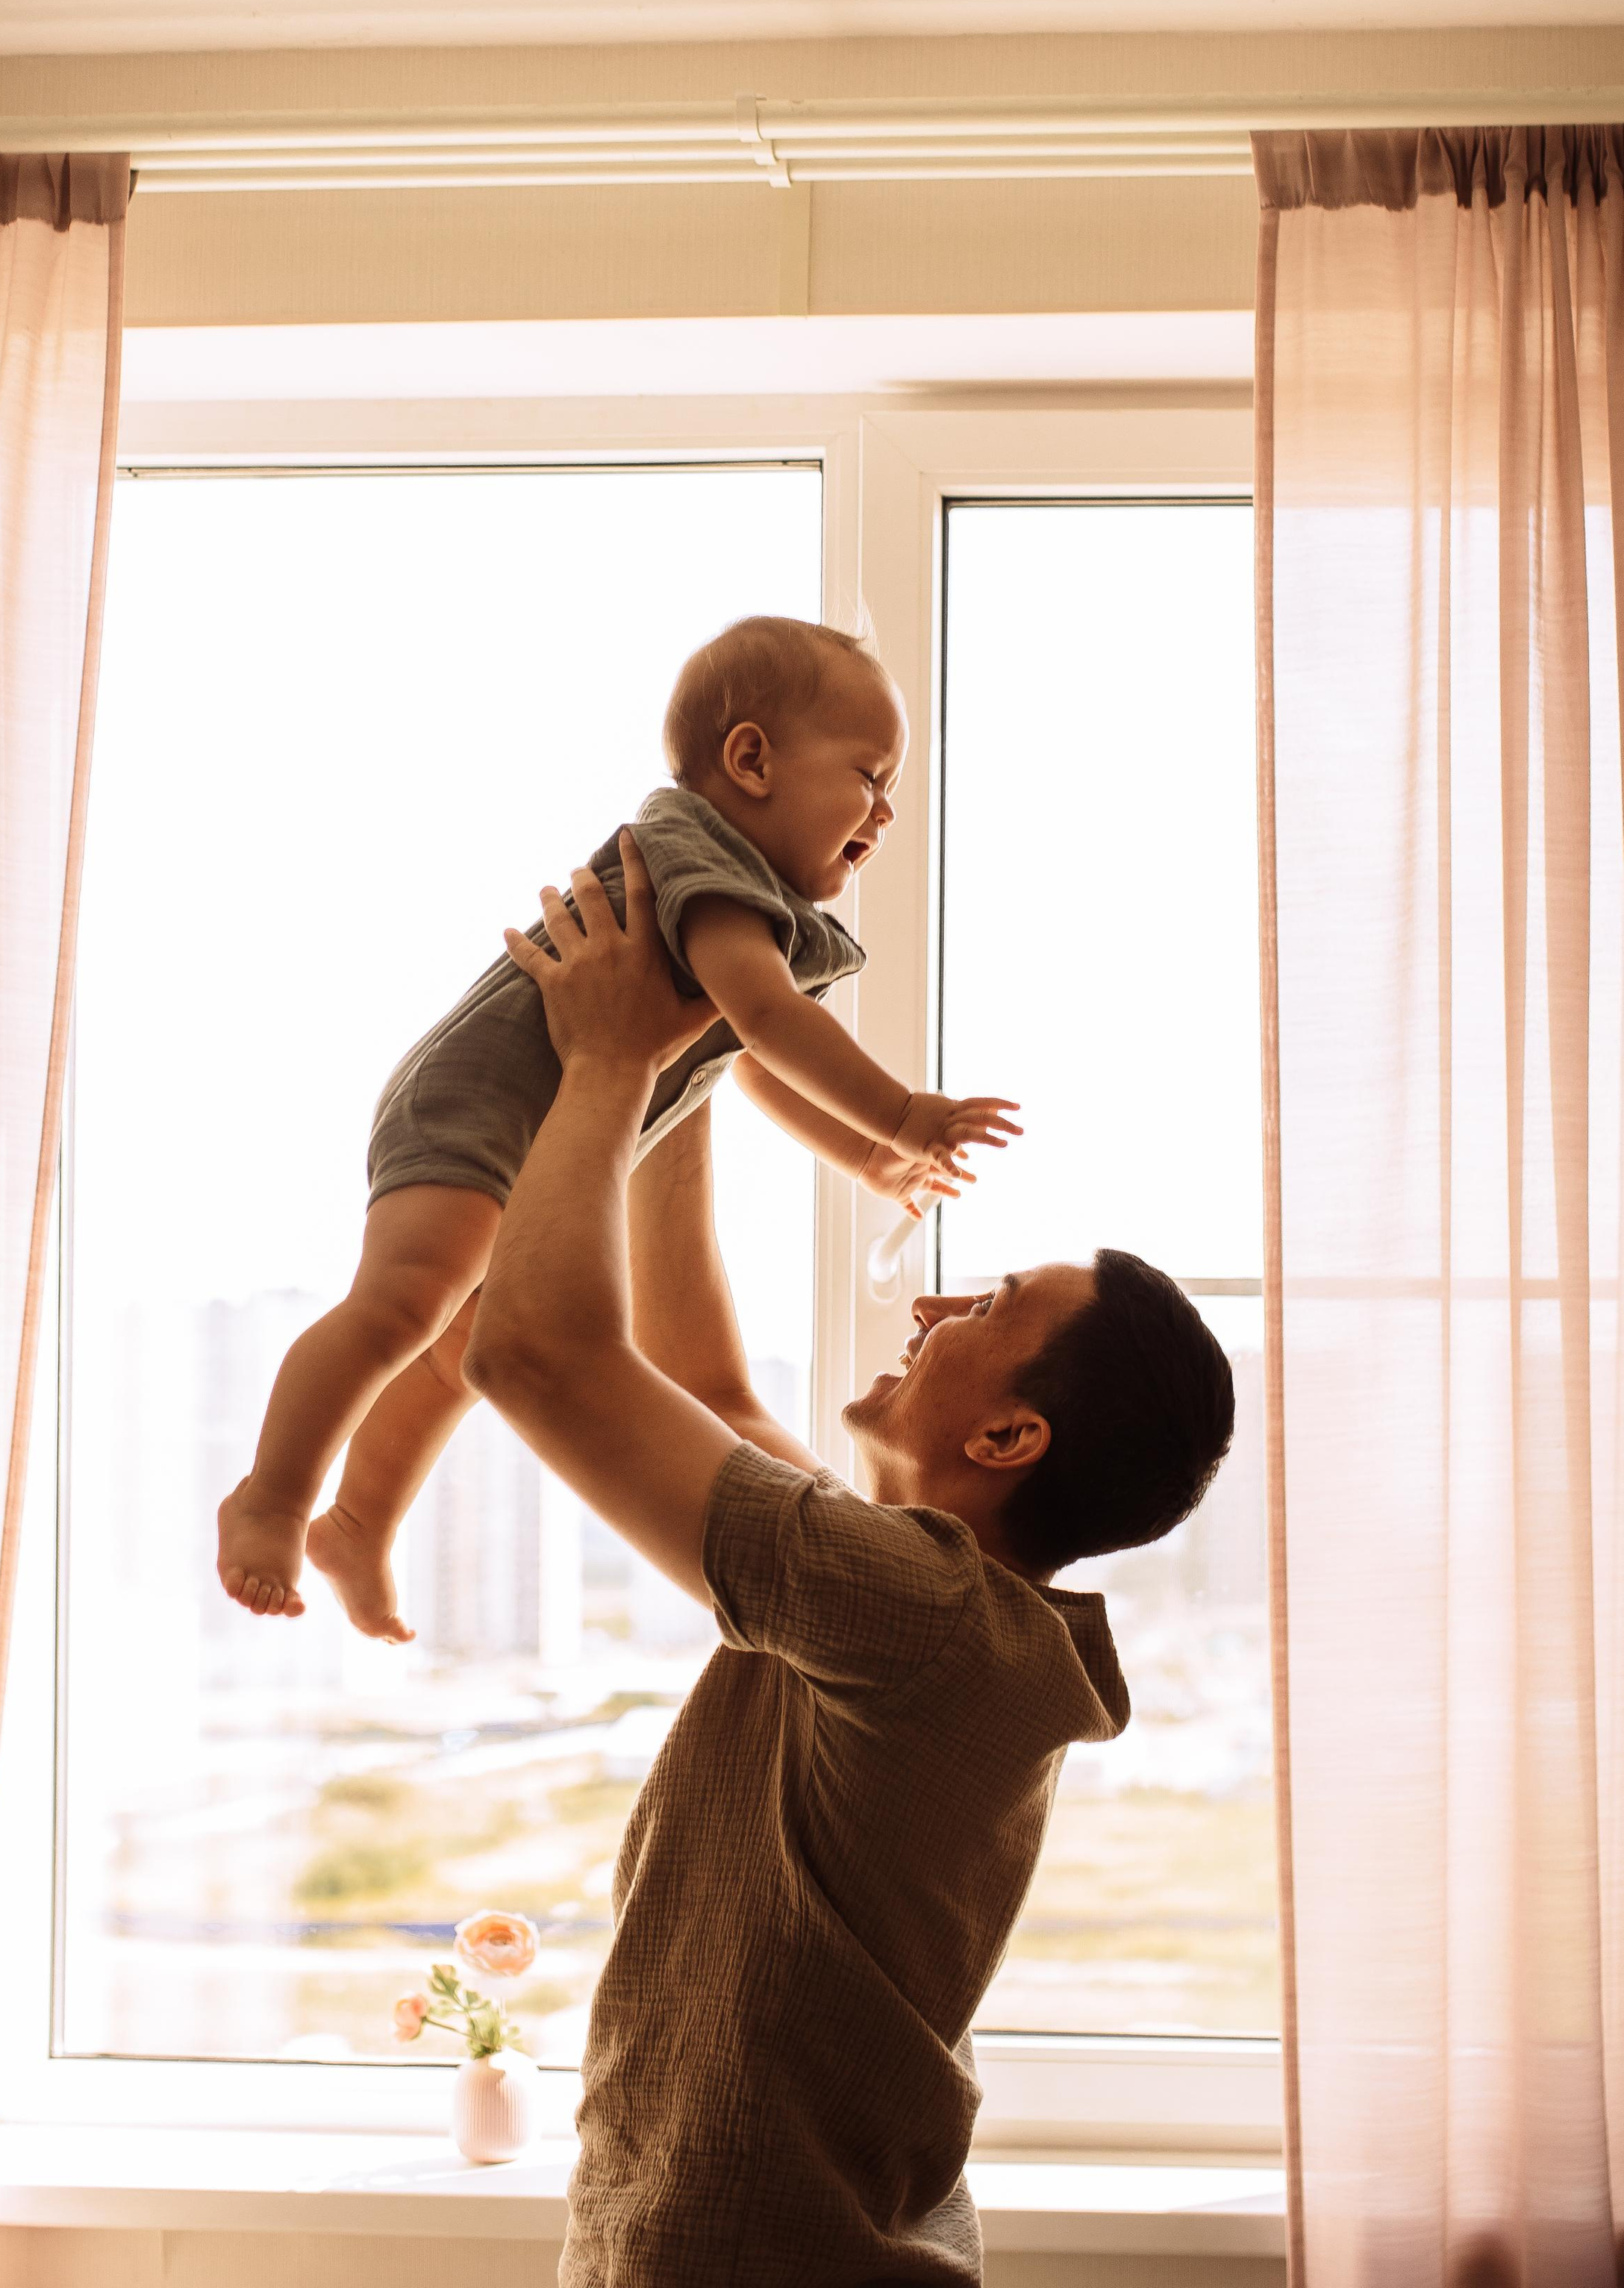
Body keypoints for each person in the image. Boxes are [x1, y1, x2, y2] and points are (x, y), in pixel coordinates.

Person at [466, 836, 1236, 2288]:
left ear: (1009, 1434)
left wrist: (606, 1063)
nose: (933, 1296)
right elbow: (708, 1386)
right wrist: (684, 1051)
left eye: (988, 1303)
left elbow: (536, 1356)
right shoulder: (929, 1611)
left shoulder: (921, 1621)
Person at [217, 616, 1018, 1633]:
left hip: (534, 1137)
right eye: (869, 775)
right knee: (402, 1307)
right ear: (751, 760)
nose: (887, 811)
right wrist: (905, 1115)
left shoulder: (742, 902)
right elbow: (772, 1024)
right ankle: (272, 1499)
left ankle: (360, 1523)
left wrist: (867, 1158)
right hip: (476, 1104)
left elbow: (737, 1052)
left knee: (458, 1339)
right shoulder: (699, 853)